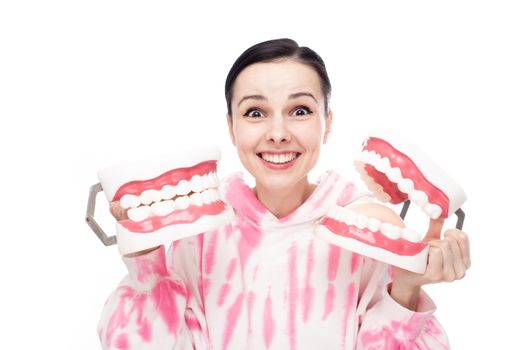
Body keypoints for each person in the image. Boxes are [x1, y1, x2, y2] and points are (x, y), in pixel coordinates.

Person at [98, 38, 471, 349]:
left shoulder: (370, 235)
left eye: (300, 110)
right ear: (231, 128)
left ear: (327, 125)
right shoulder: (199, 238)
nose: (277, 132)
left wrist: (406, 289)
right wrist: (144, 259)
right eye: (256, 113)